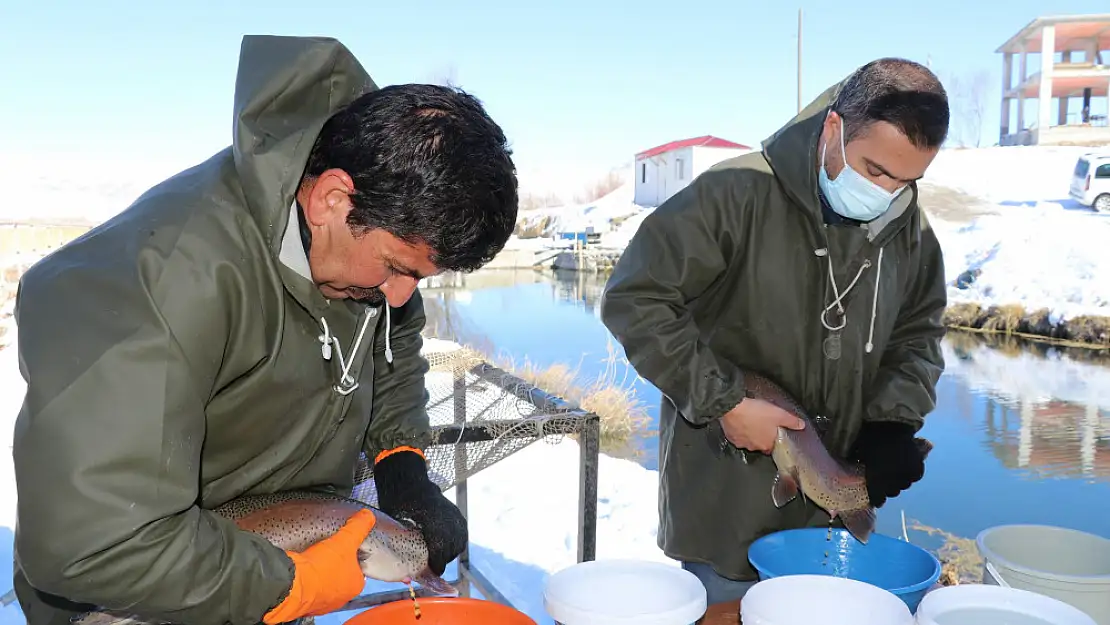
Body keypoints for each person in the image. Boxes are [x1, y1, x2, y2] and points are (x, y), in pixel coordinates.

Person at [11, 35, 518, 625]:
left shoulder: (365, 247)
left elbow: (394, 346)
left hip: (266, 566)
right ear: (332, 198)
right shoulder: (154, 282)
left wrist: (400, 462)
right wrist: (289, 586)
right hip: (132, 596)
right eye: (399, 269)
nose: (403, 297)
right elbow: (95, 544)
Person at [599, 57, 950, 605]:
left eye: (909, 180)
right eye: (877, 171)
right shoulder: (734, 193)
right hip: (724, 507)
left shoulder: (910, 226)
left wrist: (892, 423)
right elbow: (635, 299)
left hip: (831, 510)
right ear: (834, 129)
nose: (888, 192)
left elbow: (918, 334)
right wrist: (724, 402)